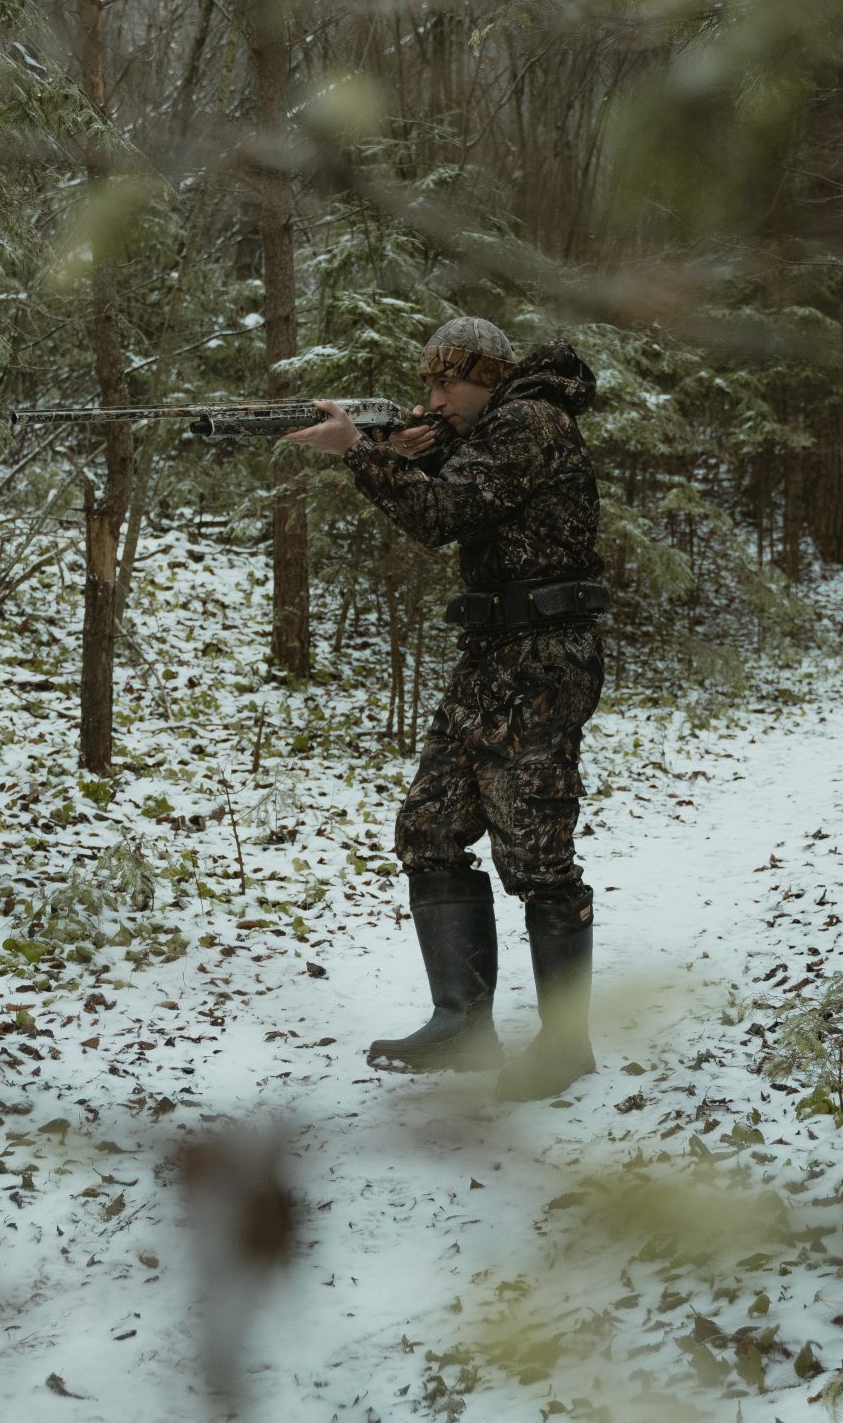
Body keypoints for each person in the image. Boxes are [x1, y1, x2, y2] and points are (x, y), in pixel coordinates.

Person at [282, 316, 607, 1101]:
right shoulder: (490, 431)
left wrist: (360, 452)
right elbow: (458, 492)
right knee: (428, 825)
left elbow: (439, 516)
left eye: (445, 384)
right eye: (427, 383)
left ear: (488, 379)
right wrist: (410, 451)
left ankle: (566, 1044)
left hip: (543, 659)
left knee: (535, 849)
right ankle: (462, 1023)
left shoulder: (530, 421)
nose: (433, 397)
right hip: (491, 657)